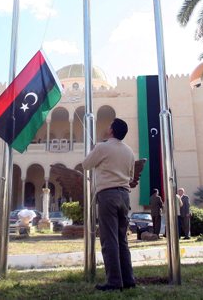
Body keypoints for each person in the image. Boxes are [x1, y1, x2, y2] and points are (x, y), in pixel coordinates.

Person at [83, 118, 136, 291]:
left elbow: (86, 164)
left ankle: (114, 281)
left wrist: (95, 152)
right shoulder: (129, 151)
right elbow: (131, 175)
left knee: (109, 240)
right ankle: (128, 279)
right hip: (124, 195)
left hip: (108, 195)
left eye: (109, 124)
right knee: (122, 239)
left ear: (112, 130)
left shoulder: (102, 147)